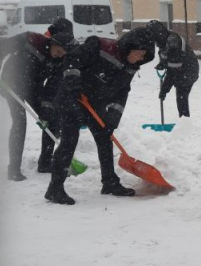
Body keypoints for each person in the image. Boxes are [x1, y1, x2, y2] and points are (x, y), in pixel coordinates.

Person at [45, 27, 155, 205]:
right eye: (140, 54)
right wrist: (73, 82)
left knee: (105, 137)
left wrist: (114, 115)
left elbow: (123, 91)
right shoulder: (99, 46)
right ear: (130, 46)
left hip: (94, 103)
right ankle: (54, 189)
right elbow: (72, 58)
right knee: (69, 141)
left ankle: (109, 183)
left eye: (144, 57)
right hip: (71, 98)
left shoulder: (130, 66)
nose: (141, 59)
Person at [0, 18, 76, 181]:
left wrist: (46, 109)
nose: (59, 55)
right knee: (20, 122)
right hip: (12, 83)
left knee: (52, 120)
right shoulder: (30, 39)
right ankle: (13, 169)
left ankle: (45, 163)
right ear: (53, 42)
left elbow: (52, 87)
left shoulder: (60, 60)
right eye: (59, 50)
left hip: (34, 87)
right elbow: (0, 47)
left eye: (63, 54)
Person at [145, 19, 200, 118]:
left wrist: (164, 90)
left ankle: (185, 122)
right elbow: (166, 57)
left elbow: (172, 72)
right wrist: (163, 64)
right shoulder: (164, 40)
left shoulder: (173, 42)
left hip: (188, 71)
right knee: (181, 98)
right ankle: (184, 120)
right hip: (181, 69)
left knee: (181, 98)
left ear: (157, 34)